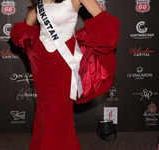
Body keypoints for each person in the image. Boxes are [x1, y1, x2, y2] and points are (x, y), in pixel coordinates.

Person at [10, 0, 119, 149]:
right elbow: (26, 26)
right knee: (44, 112)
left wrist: (88, 40)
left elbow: (103, 21)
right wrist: (30, 45)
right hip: (41, 63)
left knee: (57, 113)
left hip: (64, 62)